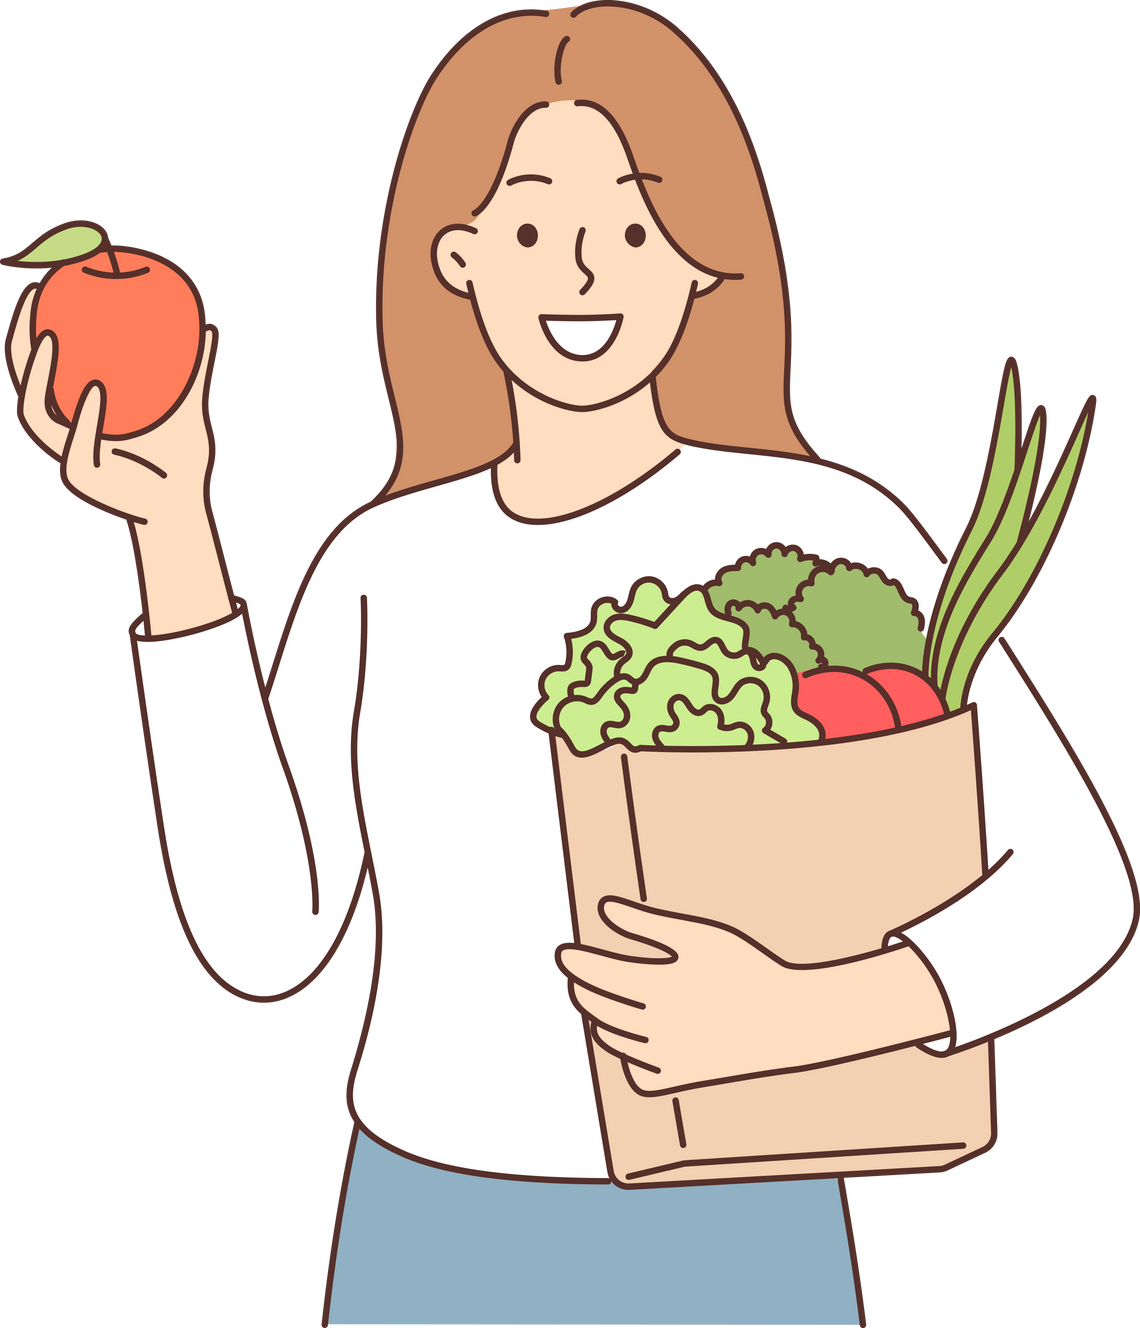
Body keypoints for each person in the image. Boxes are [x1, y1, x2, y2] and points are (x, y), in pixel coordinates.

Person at [6, 5, 1133, 1325]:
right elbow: (265, 941)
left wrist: (811, 1014)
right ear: (460, 259)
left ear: (705, 265)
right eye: (533, 227)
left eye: (636, 227)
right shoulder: (385, 564)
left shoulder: (826, 535)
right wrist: (173, 528)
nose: (584, 272)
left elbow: (1074, 890)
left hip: (740, 1217)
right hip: (430, 1220)